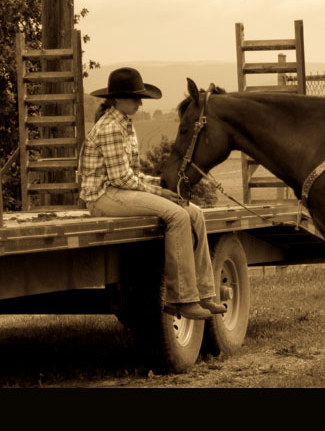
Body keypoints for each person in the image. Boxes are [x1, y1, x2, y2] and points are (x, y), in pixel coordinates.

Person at [79, 67, 226, 320]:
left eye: (140, 98)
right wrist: (161, 194)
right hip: (103, 197)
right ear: (117, 99)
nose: (139, 103)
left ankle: (205, 294)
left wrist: (160, 184)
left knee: (195, 213)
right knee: (178, 215)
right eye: (135, 97)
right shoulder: (111, 128)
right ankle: (181, 299)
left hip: (119, 191)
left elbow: (132, 175)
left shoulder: (125, 125)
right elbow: (121, 179)